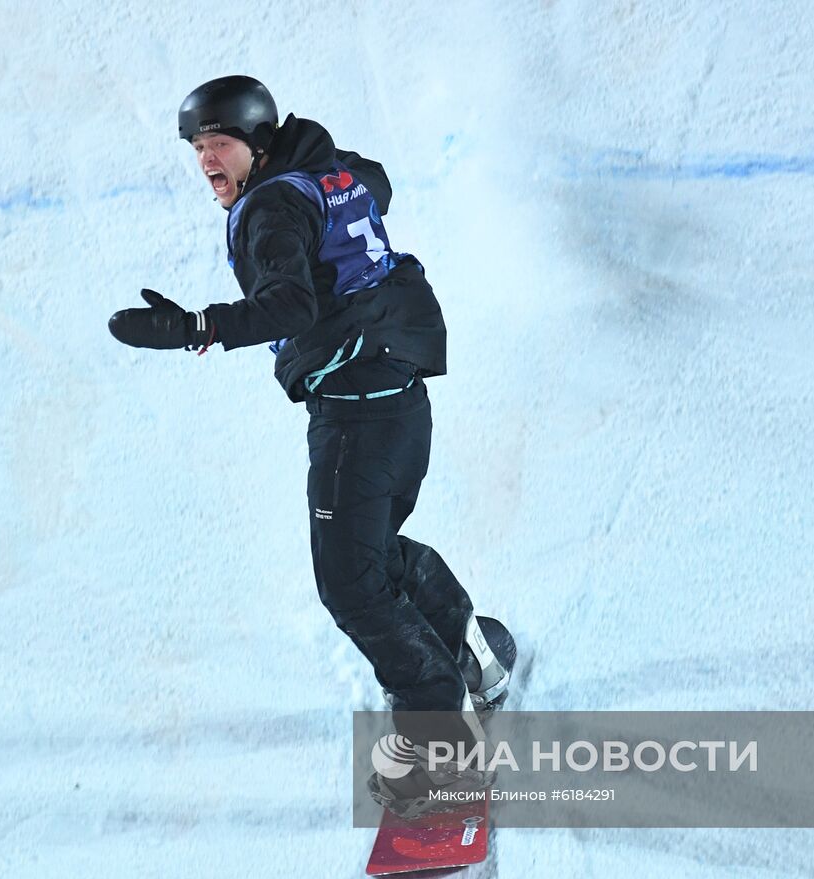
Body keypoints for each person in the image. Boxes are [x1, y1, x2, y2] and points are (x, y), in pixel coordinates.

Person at [107, 75, 511, 813]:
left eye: (219, 143)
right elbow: (377, 185)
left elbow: (288, 302)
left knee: (351, 582)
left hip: (358, 415)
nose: (206, 160)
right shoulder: (326, 170)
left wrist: (199, 327)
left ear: (259, 142)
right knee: (374, 551)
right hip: (402, 398)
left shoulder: (272, 207)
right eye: (197, 147)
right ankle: (473, 650)